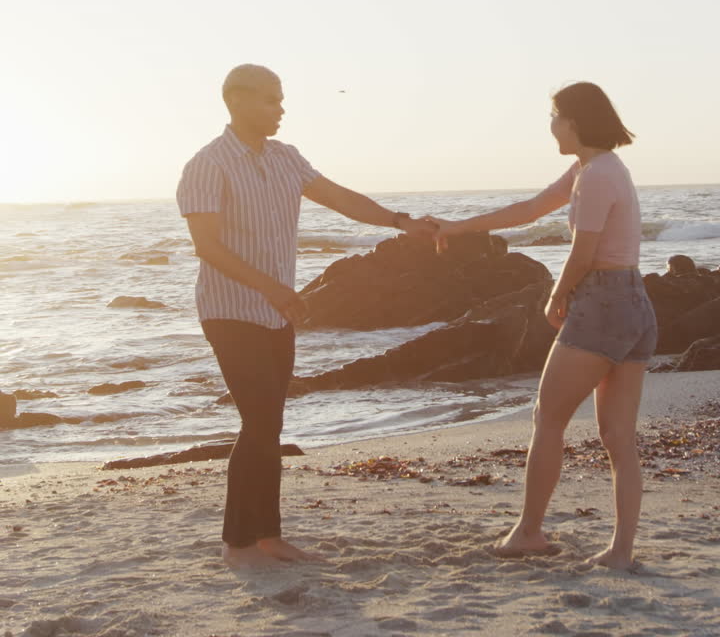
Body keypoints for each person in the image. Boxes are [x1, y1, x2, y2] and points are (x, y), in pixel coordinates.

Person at [177, 63, 435, 570]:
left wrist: (400, 221)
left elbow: (339, 197)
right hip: (230, 312)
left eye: (281, 99)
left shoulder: (286, 158)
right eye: (271, 99)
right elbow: (207, 247)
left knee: (268, 424)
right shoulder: (207, 165)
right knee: (258, 421)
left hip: (275, 314)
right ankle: (238, 542)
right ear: (237, 100)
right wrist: (274, 288)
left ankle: (267, 536)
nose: (281, 109)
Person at [432, 81, 657, 570]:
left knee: (548, 418)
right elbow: (527, 211)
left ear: (574, 121)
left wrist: (558, 294)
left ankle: (529, 532)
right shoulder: (593, 169)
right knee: (618, 436)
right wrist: (455, 227)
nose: (551, 125)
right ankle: (620, 552)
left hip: (602, 304)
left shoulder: (596, 174)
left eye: (554, 116)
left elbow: (584, 250)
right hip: (635, 304)